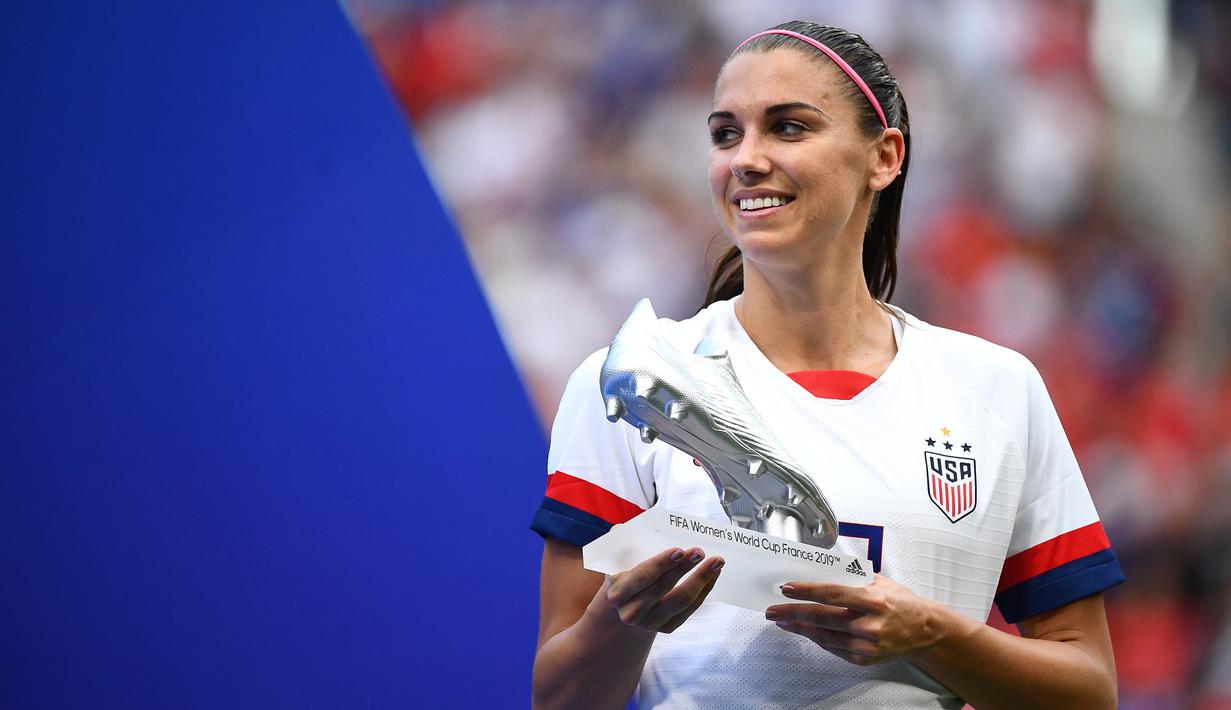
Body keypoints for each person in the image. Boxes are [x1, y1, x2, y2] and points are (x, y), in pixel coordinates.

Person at [529, 20, 1124, 710]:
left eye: (787, 128)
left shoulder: (995, 389)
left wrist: (928, 633)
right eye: (726, 133)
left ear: (884, 157)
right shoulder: (633, 380)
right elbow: (559, 700)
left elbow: (1089, 691)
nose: (744, 159)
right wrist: (620, 620)